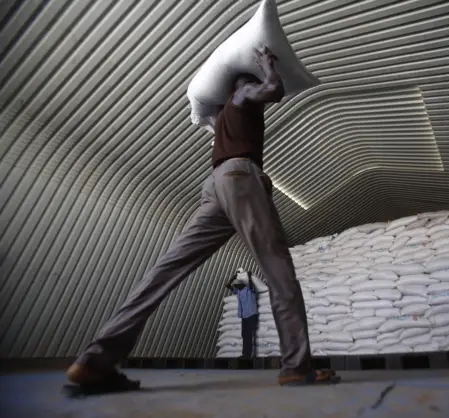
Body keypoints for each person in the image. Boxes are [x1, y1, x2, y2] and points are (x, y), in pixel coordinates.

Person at [64, 45, 338, 393]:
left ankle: (95, 361)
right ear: (240, 85)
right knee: (279, 270)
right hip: (240, 179)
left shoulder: (223, 114)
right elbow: (274, 90)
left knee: (165, 271)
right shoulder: (243, 94)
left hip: (214, 186)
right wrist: (268, 67)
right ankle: (297, 367)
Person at [224, 268, 258, 359]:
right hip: (244, 316)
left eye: (237, 285)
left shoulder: (249, 290)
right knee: (244, 335)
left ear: (242, 284)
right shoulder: (238, 291)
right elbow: (227, 285)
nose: (235, 287)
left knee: (250, 335)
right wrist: (234, 276)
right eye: (235, 286)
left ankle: (248, 355)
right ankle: (245, 354)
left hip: (251, 314)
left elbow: (251, 286)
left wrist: (250, 276)